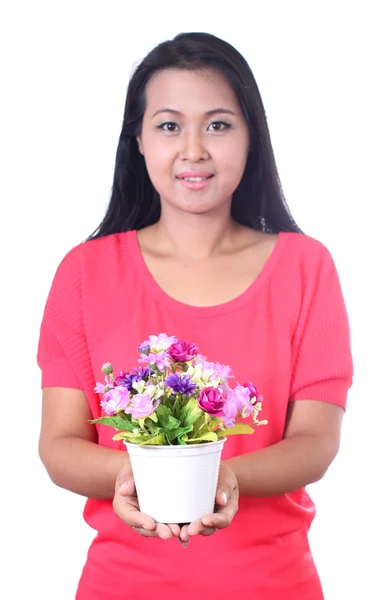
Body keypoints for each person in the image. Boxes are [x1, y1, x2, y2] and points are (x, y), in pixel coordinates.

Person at [37, 32, 353, 600]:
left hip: (273, 585)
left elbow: (316, 442)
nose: (193, 150)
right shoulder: (84, 273)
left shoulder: (306, 267)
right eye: (168, 125)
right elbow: (59, 444)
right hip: (121, 586)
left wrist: (223, 478)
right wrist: (138, 480)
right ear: (137, 139)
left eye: (218, 124)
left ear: (251, 135)